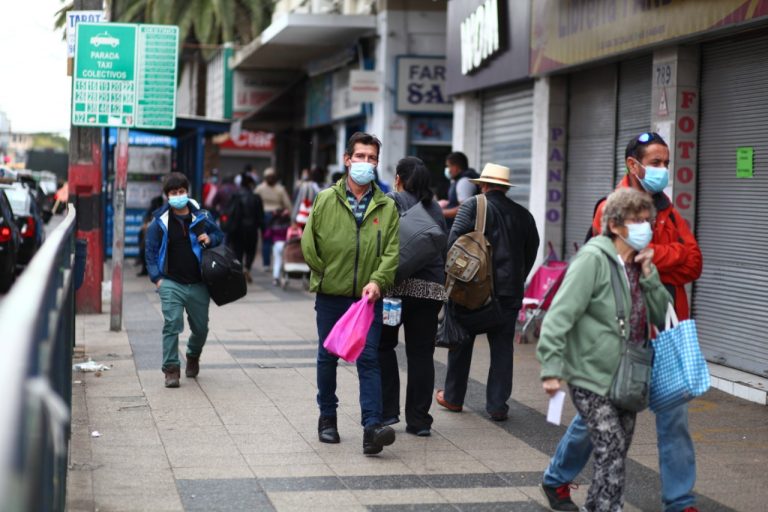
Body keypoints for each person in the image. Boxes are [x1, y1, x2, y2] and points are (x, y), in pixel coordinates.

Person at [540, 132, 703, 512]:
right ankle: (559, 477)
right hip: (611, 346)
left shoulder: (667, 210)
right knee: (600, 427)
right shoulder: (612, 208)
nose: (664, 170)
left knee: (672, 417)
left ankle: (680, 501)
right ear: (634, 164)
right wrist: (552, 367)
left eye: (666, 163)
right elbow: (604, 269)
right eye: (656, 162)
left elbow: (694, 262)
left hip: (662, 334)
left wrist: (654, 259)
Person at [537, 187, 672, 512]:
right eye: (636, 221)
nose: (645, 227)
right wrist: (551, 369)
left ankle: (597, 505)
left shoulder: (639, 263)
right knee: (610, 450)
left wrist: (651, 275)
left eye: (647, 220)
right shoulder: (592, 259)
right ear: (614, 225)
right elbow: (559, 316)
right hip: (591, 376)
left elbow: (663, 315)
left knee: (616, 453)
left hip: (628, 376)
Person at [301, 132, 400, 455]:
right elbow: (308, 242)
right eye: (360, 156)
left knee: (369, 358)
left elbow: (391, 252)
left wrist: (378, 281)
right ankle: (327, 418)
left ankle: (372, 428)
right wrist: (324, 274)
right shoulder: (326, 199)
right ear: (347, 160)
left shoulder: (386, 206)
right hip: (331, 295)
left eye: (372, 158)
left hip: (367, 299)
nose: (365, 163)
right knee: (327, 355)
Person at [435, 163, 540, 421]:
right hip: (509, 294)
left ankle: (453, 397)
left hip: (474, 291)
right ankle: (497, 406)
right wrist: (517, 279)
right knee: (503, 349)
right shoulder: (524, 214)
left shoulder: (473, 206)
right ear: (505, 187)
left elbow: (453, 243)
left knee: (461, 340)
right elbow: (531, 251)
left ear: (482, 184)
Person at [379, 157, 448, 437]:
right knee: (421, 354)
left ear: (398, 178)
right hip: (430, 293)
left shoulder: (390, 201)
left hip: (394, 293)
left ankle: (387, 412)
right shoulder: (435, 208)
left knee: (385, 347)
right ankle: (419, 421)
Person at [144, 172, 224, 388]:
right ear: (167, 196)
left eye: (181, 191)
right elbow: (150, 251)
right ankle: (171, 369)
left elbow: (220, 236)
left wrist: (210, 238)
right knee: (172, 325)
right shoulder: (160, 222)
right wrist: (157, 279)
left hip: (199, 283)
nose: (178, 195)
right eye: (173, 192)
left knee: (201, 329)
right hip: (171, 283)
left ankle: (192, 355)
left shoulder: (202, 217)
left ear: (187, 192)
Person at [227, 173, 264, 283]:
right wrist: (262, 229)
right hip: (252, 229)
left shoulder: (235, 197)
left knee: (238, 251)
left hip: (238, 229)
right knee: (251, 250)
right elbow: (260, 216)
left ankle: (240, 269)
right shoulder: (256, 198)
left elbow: (230, 213)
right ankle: (247, 267)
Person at [255, 167, 292, 270]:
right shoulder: (280, 189)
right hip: (278, 217)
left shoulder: (259, 189)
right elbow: (287, 204)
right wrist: (290, 215)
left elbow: (254, 201)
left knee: (266, 240)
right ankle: (278, 264)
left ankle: (266, 264)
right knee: (278, 240)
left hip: (264, 216)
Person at [440, 151, 479, 225]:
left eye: (448, 166)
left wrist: (440, 212)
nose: (448, 170)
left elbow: (465, 209)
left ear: (456, 167)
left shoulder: (464, 182)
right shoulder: (459, 180)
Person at [136, 195, 164, 276]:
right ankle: (145, 268)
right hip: (150, 236)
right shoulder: (153, 211)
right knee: (144, 250)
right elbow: (145, 224)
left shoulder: (162, 211)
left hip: (157, 236)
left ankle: (146, 268)